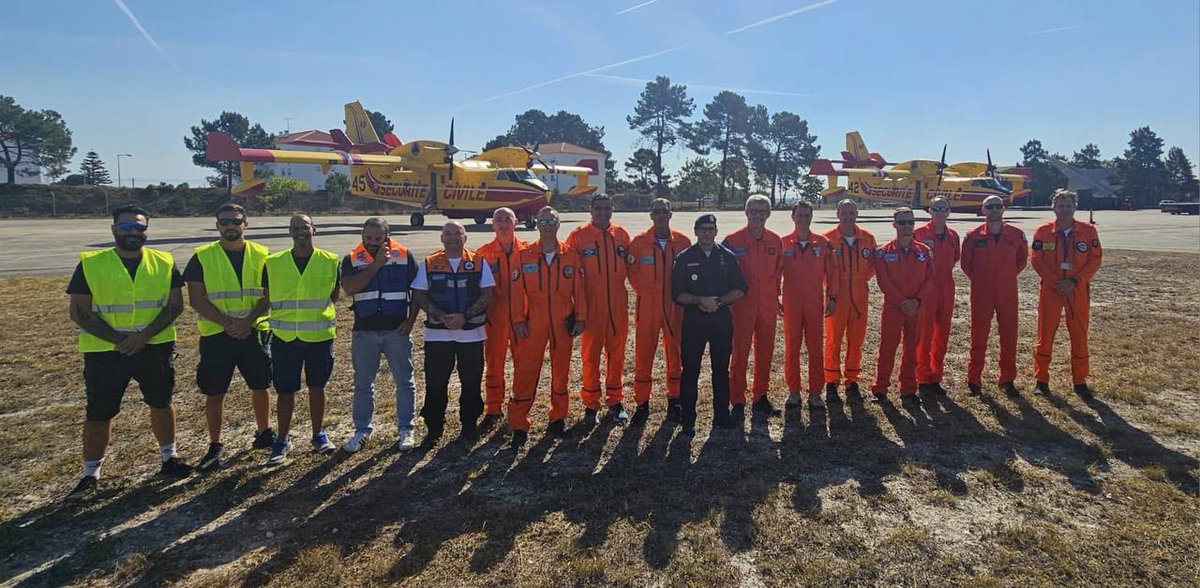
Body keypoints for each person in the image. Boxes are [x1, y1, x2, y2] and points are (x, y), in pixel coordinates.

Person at [65, 204, 191, 500]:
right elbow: (78, 311)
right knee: (99, 411)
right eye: (126, 227)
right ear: (114, 230)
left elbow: (175, 305)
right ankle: (90, 474)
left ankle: (169, 458)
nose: (133, 232)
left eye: (139, 227)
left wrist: (143, 336)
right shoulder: (91, 263)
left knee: (161, 402)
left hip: (154, 346)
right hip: (106, 352)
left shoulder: (163, 261)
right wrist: (121, 339)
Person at [184, 203, 274, 471]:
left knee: (260, 385)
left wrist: (246, 322)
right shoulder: (202, 256)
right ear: (217, 225)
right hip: (217, 335)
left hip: (253, 331)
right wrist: (229, 324)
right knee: (215, 391)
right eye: (225, 222)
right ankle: (215, 443)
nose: (230, 226)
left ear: (246, 223)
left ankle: (264, 432)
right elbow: (196, 299)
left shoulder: (263, 255)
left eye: (236, 221)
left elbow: (269, 295)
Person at [261, 214, 341, 465]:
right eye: (295, 229)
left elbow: (334, 295)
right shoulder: (273, 263)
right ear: (289, 232)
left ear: (313, 229)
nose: (300, 232)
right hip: (285, 337)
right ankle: (283, 439)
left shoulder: (330, 260)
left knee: (317, 387)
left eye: (305, 227)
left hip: (318, 337)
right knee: (286, 391)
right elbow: (267, 296)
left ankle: (318, 435)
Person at [508, 207, 588, 448]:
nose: (547, 225)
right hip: (534, 319)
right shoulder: (524, 255)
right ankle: (519, 424)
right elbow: (515, 292)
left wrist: (581, 317)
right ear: (537, 225)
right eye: (542, 221)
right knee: (526, 370)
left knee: (561, 371)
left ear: (558, 224)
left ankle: (558, 418)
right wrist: (519, 320)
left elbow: (579, 290)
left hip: (562, 320)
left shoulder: (570, 255)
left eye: (551, 221)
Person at [340, 218, 419, 453]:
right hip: (364, 331)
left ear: (387, 236)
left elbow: (418, 291)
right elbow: (350, 289)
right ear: (362, 236)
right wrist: (375, 264)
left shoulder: (404, 256)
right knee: (363, 385)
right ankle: (362, 430)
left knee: (405, 382)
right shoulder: (352, 260)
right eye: (368, 238)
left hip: (397, 330)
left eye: (378, 238)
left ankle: (406, 429)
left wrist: (411, 320)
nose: (373, 243)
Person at [412, 221, 494, 445]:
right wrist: (441, 316)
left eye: (457, 233)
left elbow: (487, 294)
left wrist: (464, 317)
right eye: (448, 234)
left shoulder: (478, 261)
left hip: (471, 333)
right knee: (436, 382)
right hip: (438, 334)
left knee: (471, 381)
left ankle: (469, 426)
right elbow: (419, 295)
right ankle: (434, 428)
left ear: (465, 237)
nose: (452, 238)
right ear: (441, 238)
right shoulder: (429, 263)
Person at [672, 214, 746, 437]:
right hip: (694, 322)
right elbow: (677, 293)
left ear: (716, 231)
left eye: (711, 229)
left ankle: (722, 415)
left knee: (720, 370)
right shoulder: (685, 258)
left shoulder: (727, 257)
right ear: (695, 231)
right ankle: (688, 419)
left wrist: (719, 302)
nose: (707, 232)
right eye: (703, 229)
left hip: (721, 320)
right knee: (690, 371)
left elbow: (741, 289)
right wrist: (699, 301)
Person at [566, 194, 633, 424]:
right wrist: (576, 310)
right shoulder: (578, 236)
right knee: (590, 357)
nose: (603, 212)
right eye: (598, 208)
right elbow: (569, 273)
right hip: (591, 305)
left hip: (617, 304)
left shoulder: (621, 235)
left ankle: (615, 400)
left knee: (617, 355)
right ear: (590, 210)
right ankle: (591, 404)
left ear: (612, 209)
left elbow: (632, 268)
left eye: (607, 208)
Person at [1030, 189, 1102, 400]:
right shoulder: (1043, 231)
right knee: (1045, 334)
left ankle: (1080, 381)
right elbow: (1036, 259)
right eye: (1060, 205)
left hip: (1076, 290)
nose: (1064, 209)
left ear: (1075, 207)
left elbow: (1095, 259)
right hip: (1051, 290)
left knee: (1079, 333)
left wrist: (1075, 281)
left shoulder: (1088, 231)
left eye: (1068, 205)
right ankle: (1041, 380)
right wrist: (1055, 282)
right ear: (1054, 208)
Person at [627, 198, 691, 424]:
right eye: (656, 212)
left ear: (671, 214)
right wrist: (645, 292)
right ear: (651, 215)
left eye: (664, 211)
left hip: (675, 306)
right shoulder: (639, 242)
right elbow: (632, 272)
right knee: (644, 353)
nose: (661, 215)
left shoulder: (683, 242)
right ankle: (642, 402)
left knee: (676, 353)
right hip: (649, 307)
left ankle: (675, 399)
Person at [722, 194, 784, 420]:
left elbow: (778, 272)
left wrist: (776, 297)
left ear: (768, 214)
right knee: (739, 353)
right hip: (741, 307)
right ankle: (737, 399)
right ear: (746, 213)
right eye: (753, 211)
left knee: (765, 353)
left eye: (762, 211)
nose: (758, 215)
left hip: (767, 304)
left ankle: (761, 397)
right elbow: (724, 275)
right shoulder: (732, 241)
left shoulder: (776, 241)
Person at [960, 195, 1028, 397]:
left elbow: (1022, 260)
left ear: (1003, 209)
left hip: (1007, 290)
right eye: (990, 206)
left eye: (998, 206)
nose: (994, 209)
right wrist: (983, 280)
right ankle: (974, 379)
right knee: (978, 335)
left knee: (1009, 335)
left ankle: (1007, 379)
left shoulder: (1017, 234)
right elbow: (966, 264)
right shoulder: (973, 235)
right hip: (982, 291)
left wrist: (1004, 277)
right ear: (983, 210)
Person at [871, 207, 935, 407]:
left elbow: (930, 279)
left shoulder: (924, 251)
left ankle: (908, 388)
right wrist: (901, 302)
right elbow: (884, 281)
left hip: (917, 308)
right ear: (894, 224)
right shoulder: (882, 252)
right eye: (902, 222)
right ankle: (880, 389)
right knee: (888, 348)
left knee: (912, 349)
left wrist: (916, 301)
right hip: (893, 308)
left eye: (910, 222)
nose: (907, 226)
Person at [780, 201, 838, 410]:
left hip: (814, 304)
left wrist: (832, 298)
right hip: (792, 303)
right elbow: (774, 273)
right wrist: (776, 296)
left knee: (815, 348)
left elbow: (832, 274)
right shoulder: (783, 243)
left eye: (807, 216)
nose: (803, 220)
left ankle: (815, 392)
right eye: (800, 216)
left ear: (811, 218)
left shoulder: (822, 243)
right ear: (793, 217)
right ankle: (793, 391)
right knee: (792, 347)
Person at [822, 199, 878, 403]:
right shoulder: (827, 239)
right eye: (844, 213)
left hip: (859, 296)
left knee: (857, 339)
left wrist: (860, 281)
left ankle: (852, 378)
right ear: (838, 214)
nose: (848, 217)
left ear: (857, 214)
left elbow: (872, 265)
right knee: (833, 339)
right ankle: (831, 378)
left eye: (851, 213)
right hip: (836, 297)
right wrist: (833, 289)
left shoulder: (868, 238)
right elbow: (822, 268)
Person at [476, 208, 528, 428]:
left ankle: (520, 406)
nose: (504, 223)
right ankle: (494, 408)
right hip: (495, 319)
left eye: (508, 219)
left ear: (516, 222)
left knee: (523, 365)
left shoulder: (528, 251)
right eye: (499, 220)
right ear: (493, 224)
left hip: (522, 318)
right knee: (494, 364)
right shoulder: (483, 254)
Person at [913, 196, 960, 397]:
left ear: (949, 212)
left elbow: (956, 257)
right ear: (929, 211)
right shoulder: (919, 233)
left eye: (944, 208)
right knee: (925, 333)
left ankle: (936, 375)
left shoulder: (953, 236)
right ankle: (922, 376)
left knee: (943, 333)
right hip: (927, 289)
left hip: (946, 287)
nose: (940, 212)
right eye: (936, 208)